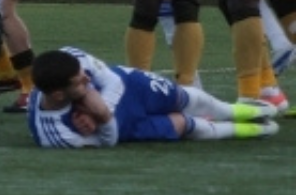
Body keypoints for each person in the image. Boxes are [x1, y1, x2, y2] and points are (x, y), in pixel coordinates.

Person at [27, 47, 277, 148]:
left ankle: (237, 111)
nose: (86, 79)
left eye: (85, 76)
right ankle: (250, 131)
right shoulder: (56, 134)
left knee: (187, 98)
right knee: (183, 125)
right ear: (58, 94)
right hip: (124, 127)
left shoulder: (71, 57)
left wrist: (100, 103)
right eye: (79, 82)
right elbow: (108, 142)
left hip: (131, 86)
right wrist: (103, 118)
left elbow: (112, 81)